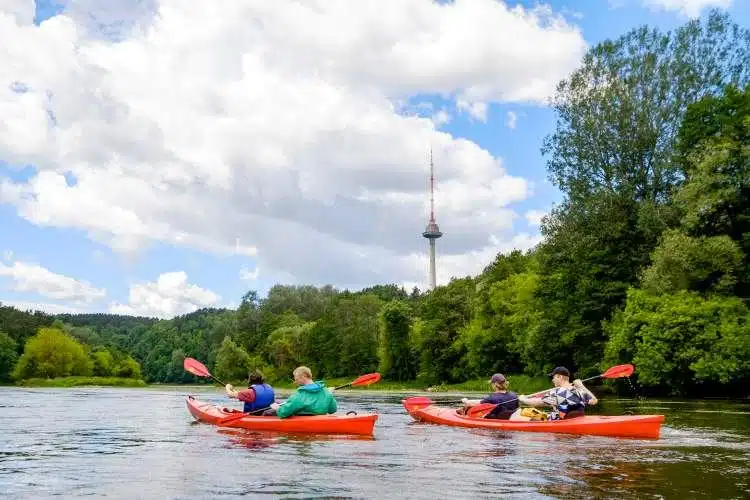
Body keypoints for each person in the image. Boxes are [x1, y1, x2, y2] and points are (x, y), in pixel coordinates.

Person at [512, 366, 598, 420]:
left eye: (554, 377)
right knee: (537, 412)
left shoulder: (557, 392)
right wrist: (581, 386)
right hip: (575, 418)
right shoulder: (579, 391)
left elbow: (537, 403)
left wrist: (523, 399)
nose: (552, 380)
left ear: (559, 377)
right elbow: (594, 400)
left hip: (557, 420)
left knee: (521, 413)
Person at [263, 366, 337, 419]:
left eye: (296, 378)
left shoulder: (300, 394)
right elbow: (332, 410)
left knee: (267, 412)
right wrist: (330, 394)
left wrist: (277, 408)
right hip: (321, 420)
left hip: (306, 421)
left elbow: (284, 413)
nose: (295, 381)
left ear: (304, 376)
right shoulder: (326, 391)